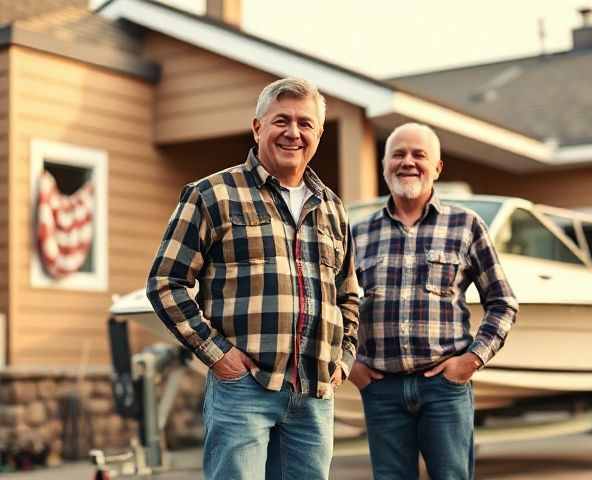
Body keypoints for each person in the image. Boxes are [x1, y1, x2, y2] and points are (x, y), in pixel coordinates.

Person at [146, 77, 359, 480]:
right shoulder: (211, 194)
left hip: (314, 394)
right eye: (281, 120)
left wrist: (342, 360)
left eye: (305, 123)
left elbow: (348, 293)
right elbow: (165, 282)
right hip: (244, 389)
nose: (293, 132)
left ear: (318, 133)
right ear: (258, 127)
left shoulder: (333, 207)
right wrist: (217, 354)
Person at [349, 123, 518, 480]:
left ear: (437, 168)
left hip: (445, 389)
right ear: (384, 165)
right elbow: (334, 306)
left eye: (418, 154)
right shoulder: (358, 234)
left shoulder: (466, 225)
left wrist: (472, 360)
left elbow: (502, 301)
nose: (407, 162)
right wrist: (349, 363)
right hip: (382, 390)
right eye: (398, 154)